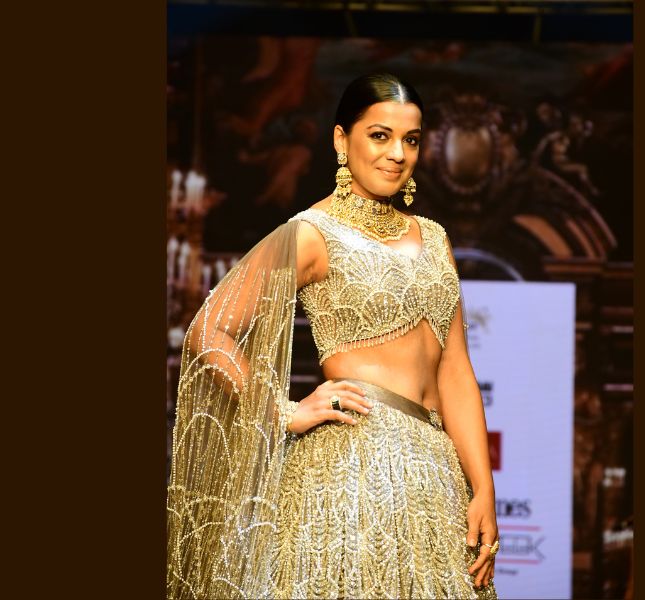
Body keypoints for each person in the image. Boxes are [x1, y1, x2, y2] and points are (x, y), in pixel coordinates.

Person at [167, 72, 499, 599]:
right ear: (342, 140)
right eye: (380, 135)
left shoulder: (435, 238)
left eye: (411, 139)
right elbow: (209, 330)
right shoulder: (311, 233)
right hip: (351, 468)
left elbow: (456, 369)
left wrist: (483, 489)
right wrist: (281, 411)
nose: (397, 154)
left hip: (435, 476)